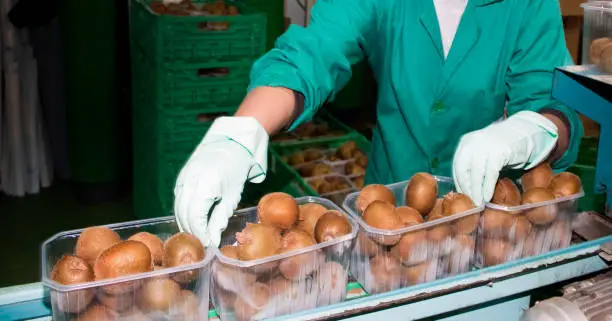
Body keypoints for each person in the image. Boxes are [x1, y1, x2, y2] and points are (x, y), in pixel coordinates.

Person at [174, 0, 583, 246]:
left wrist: (536, 131)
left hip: (487, 218)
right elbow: (313, 53)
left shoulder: (527, 4)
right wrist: (242, 133)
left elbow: (552, 105)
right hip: (386, 206)